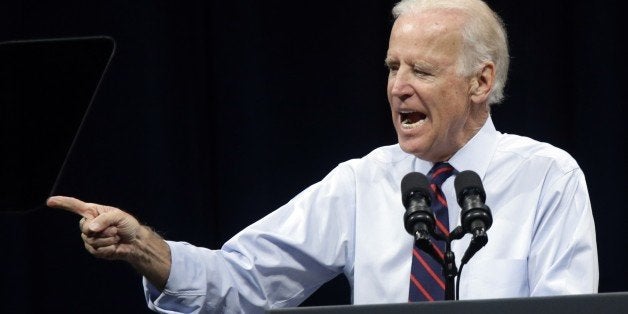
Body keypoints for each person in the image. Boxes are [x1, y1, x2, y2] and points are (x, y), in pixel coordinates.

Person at [47, 0, 599, 312]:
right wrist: (145, 248)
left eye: (421, 71)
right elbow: (244, 280)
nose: (397, 89)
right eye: (391, 68)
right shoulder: (362, 183)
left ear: (481, 82)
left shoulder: (548, 178)